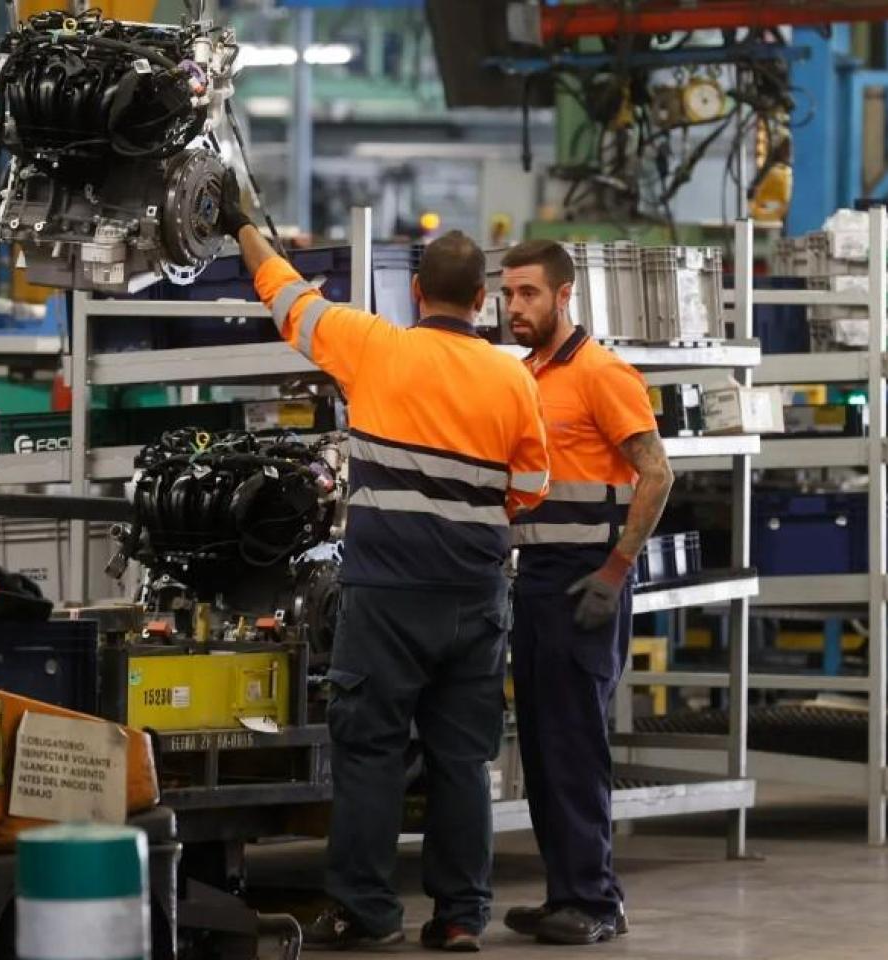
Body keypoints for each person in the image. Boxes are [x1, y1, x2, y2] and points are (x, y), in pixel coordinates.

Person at [216, 174, 550, 952]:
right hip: (474, 596)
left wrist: (242, 227)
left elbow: (288, 297)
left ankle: (368, 914)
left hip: (387, 594)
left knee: (368, 756)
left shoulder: (372, 346)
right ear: (481, 300)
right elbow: (531, 489)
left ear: (420, 293)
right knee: (463, 761)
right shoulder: (512, 377)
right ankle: (462, 915)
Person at [496, 239, 674, 946]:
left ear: (564, 295)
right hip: (535, 584)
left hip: (584, 583)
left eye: (529, 294)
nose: (515, 307)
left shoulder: (603, 374)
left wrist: (615, 570)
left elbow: (656, 474)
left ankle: (597, 900)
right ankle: (564, 891)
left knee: (574, 744)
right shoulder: (524, 377)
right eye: (508, 294)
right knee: (540, 745)